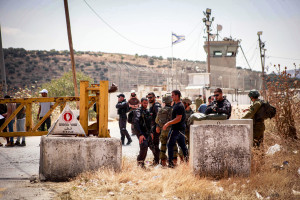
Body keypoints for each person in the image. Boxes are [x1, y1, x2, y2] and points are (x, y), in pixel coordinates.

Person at [163, 90, 188, 168]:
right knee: (182, 146)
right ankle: (187, 161)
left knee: (170, 145)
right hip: (180, 129)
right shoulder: (176, 105)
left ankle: (170, 164)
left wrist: (168, 123)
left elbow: (178, 118)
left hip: (176, 129)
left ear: (177, 96)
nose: (172, 97)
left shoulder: (179, 106)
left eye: (173, 95)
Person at [155, 94, 178, 166]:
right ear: (171, 101)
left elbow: (157, 121)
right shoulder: (173, 110)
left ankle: (163, 162)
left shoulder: (160, 110)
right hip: (171, 130)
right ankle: (174, 162)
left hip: (163, 131)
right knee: (173, 145)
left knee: (163, 146)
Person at [133, 98, 153, 168]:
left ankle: (156, 161)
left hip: (147, 132)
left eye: (147, 103)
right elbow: (136, 123)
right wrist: (140, 134)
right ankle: (140, 163)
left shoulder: (147, 111)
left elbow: (149, 123)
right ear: (141, 103)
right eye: (144, 103)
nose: (146, 104)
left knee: (153, 146)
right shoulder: (138, 111)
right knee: (144, 146)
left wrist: (151, 132)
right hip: (141, 132)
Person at [147, 92, 161, 165]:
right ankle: (157, 159)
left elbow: (159, 116)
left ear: (154, 97)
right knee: (153, 144)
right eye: (148, 97)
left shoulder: (156, 105)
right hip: (153, 128)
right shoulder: (152, 106)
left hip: (156, 128)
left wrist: (158, 126)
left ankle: (157, 160)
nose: (149, 99)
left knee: (154, 144)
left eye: (151, 97)